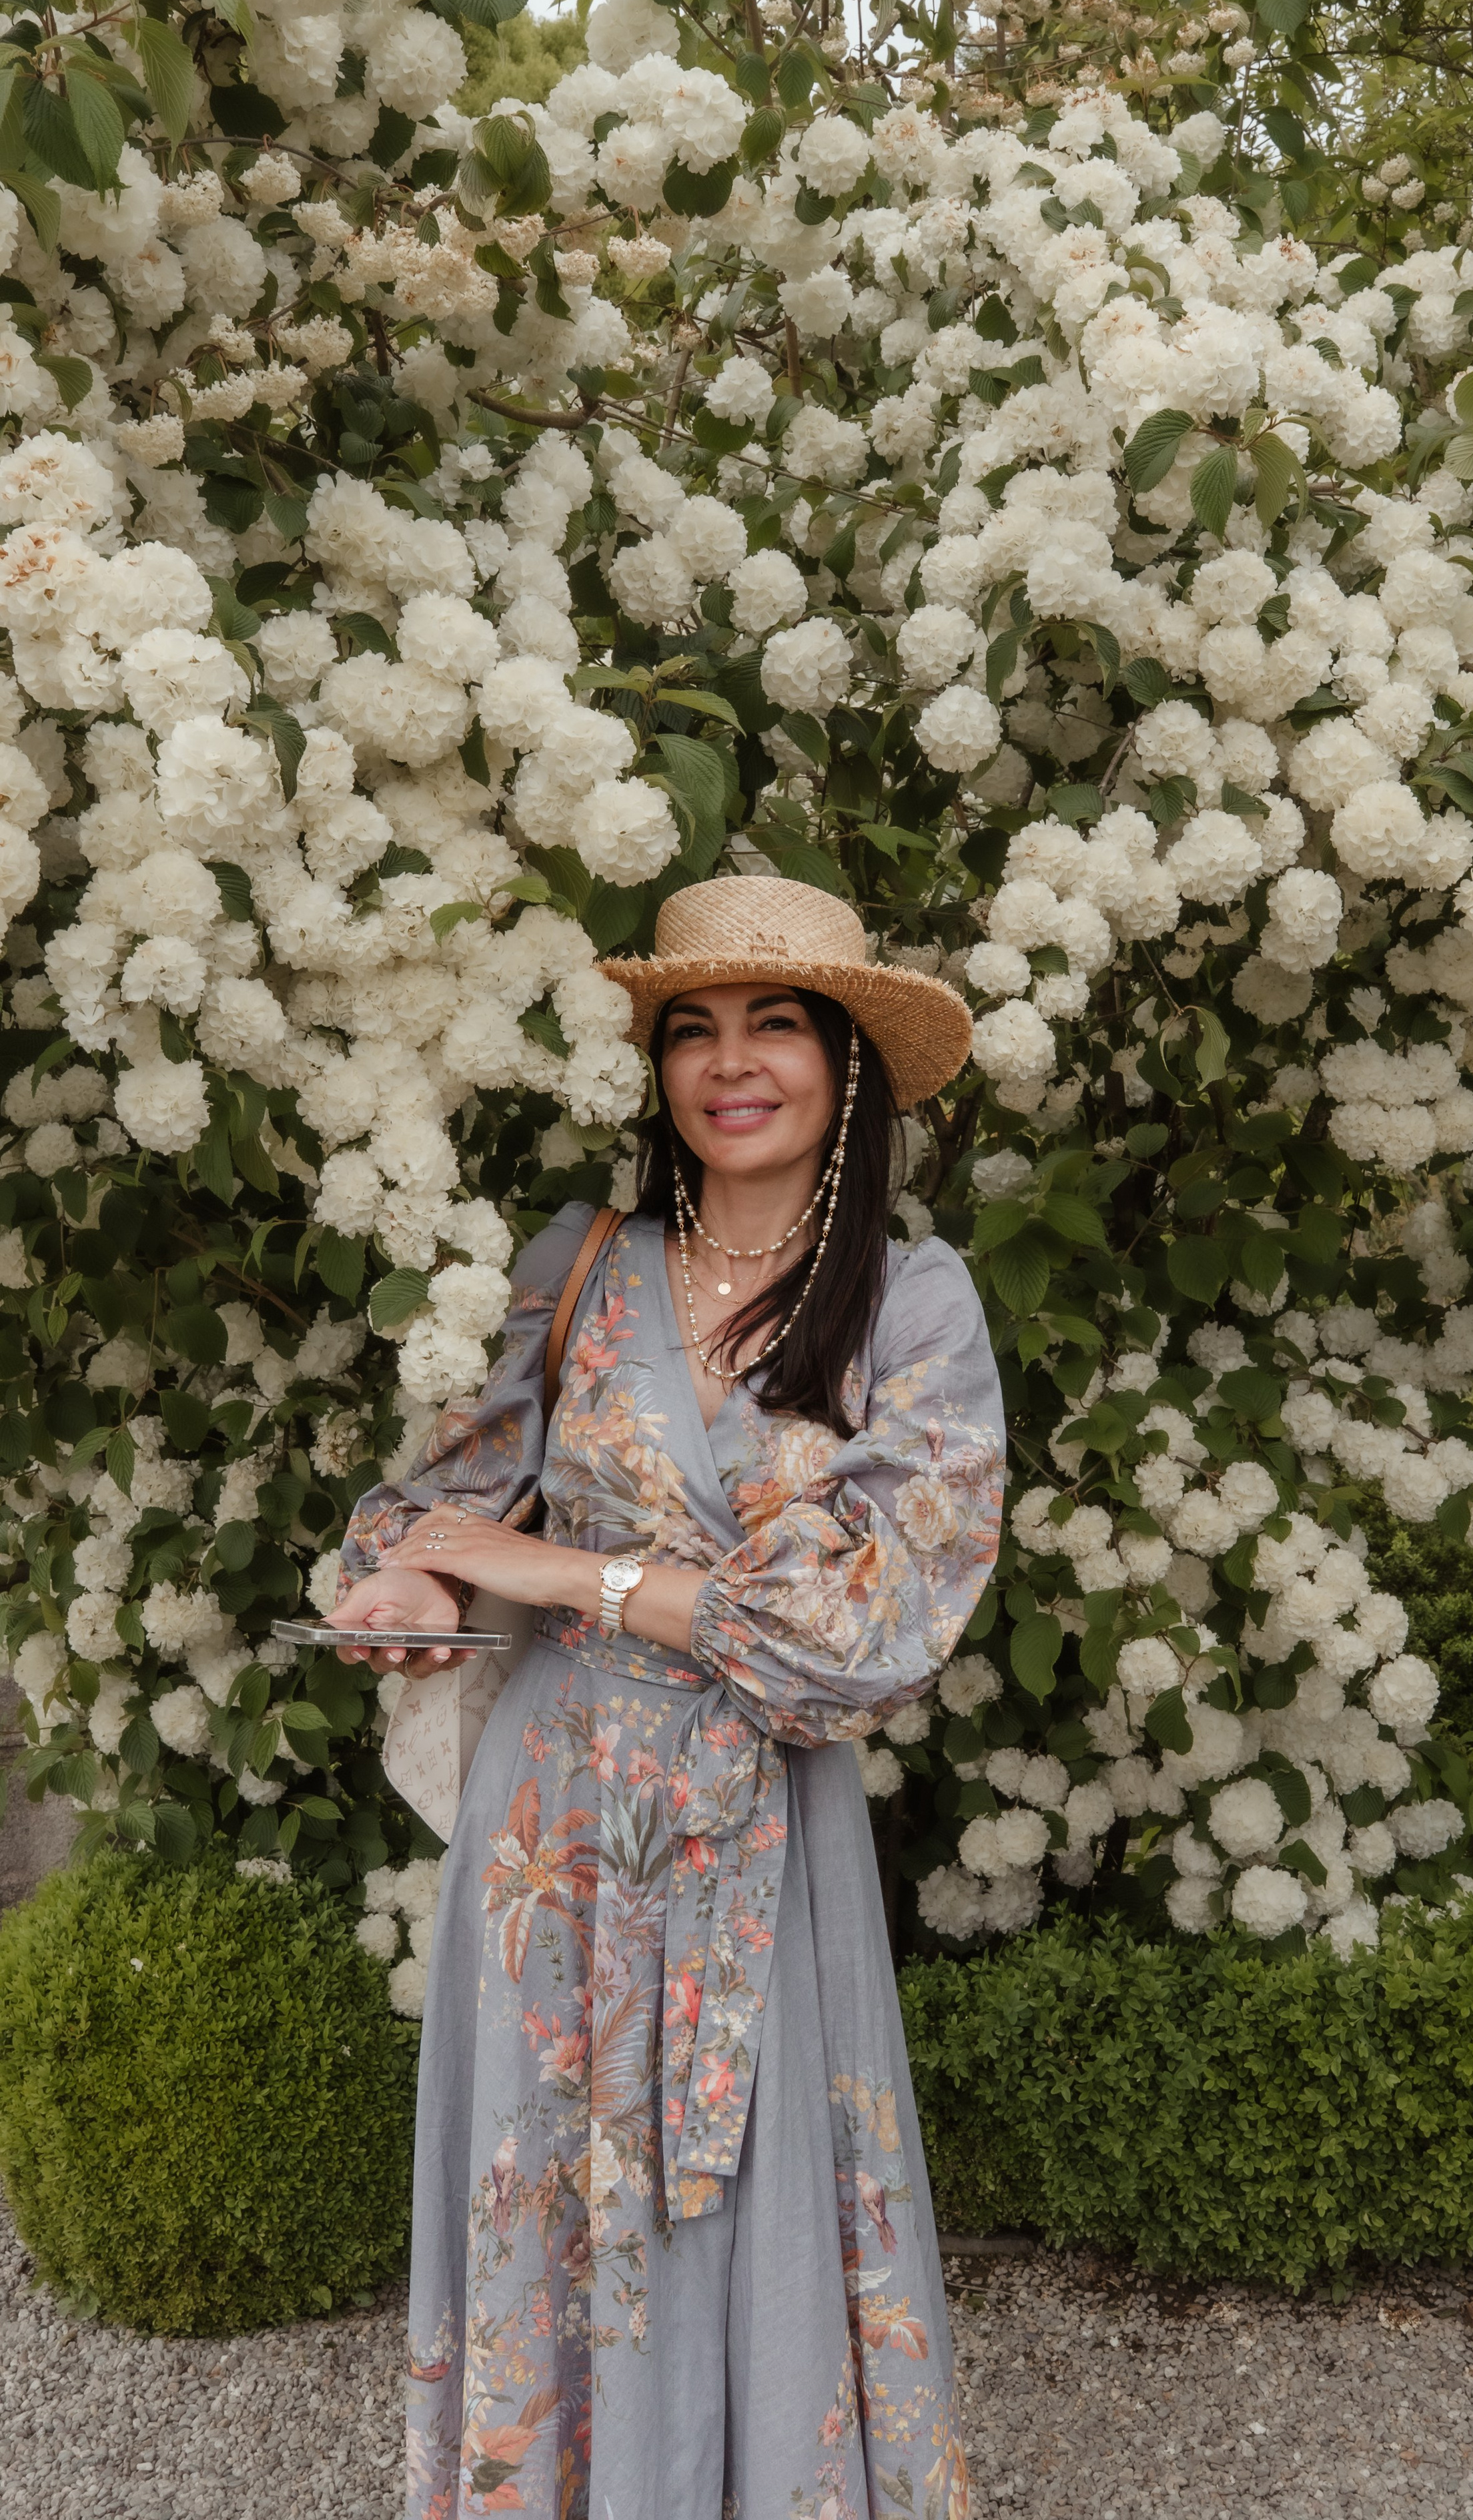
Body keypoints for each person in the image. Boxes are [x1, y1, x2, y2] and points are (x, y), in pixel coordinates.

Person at [325, 874, 1006, 2520]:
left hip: (758, 1829)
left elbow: (856, 1635)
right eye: (692, 1029)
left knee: (755, 2209)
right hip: (548, 1833)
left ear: (847, 1061)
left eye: (775, 1021)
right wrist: (415, 1575)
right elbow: (447, 1495)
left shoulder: (911, 1307)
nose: (730, 1061)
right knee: (543, 2197)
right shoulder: (581, 1266)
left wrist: (572, 1577)